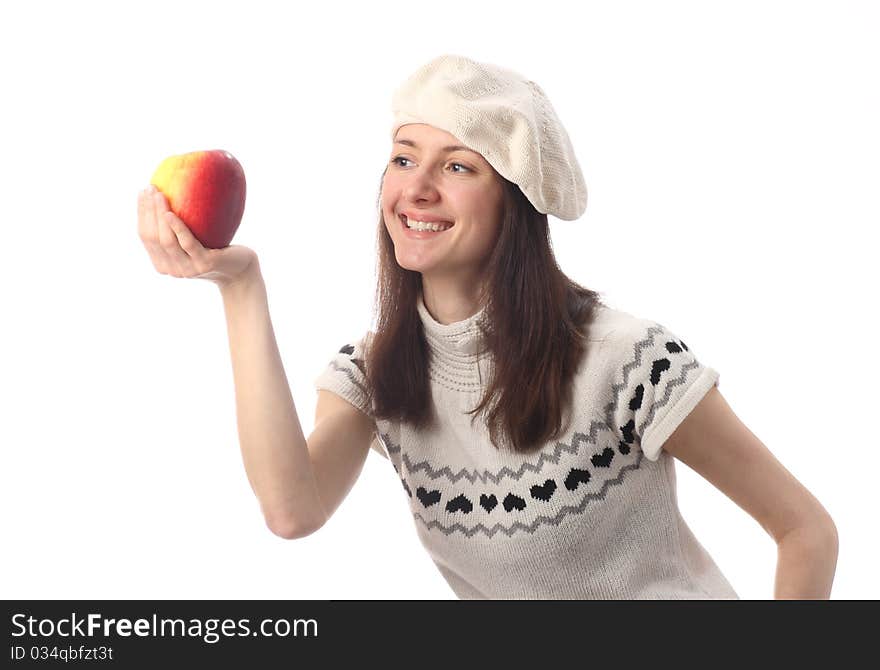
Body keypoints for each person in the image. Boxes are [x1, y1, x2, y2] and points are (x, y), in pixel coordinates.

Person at [137, 54, 838, 600]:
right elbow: (293, 511)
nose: (416, 188)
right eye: (404, 157)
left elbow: (805, 530)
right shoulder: (375, 376)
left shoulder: (625, 361)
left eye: (458, 166)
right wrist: (240, 286)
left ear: (515, 201)